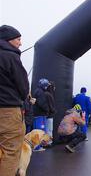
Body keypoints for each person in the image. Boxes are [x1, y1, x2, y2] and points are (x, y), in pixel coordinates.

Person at [0, 25, 29, 176]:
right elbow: (23, 87)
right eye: (18, 39)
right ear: (9, 40)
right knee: (10, 152)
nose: (20, 43)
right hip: (8, 111)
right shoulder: (11, 57)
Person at [32, 78, 51, 151]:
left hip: (37, 115)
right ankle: (37, 147)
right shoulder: (40, 92)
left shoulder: (37, 91)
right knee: (39, 131)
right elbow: (42, 103)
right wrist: (47, 109)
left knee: (38, 130)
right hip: (40, 115)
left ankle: (37, 146)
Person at [45, 81, 56, 146]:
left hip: (46, 114)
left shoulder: (46, 93)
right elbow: (51, 106)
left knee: (47, 129)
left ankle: (47, 142)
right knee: (49, 129)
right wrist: (53, 111)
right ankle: (48, 142)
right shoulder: (49, 95)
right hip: (49, 115)